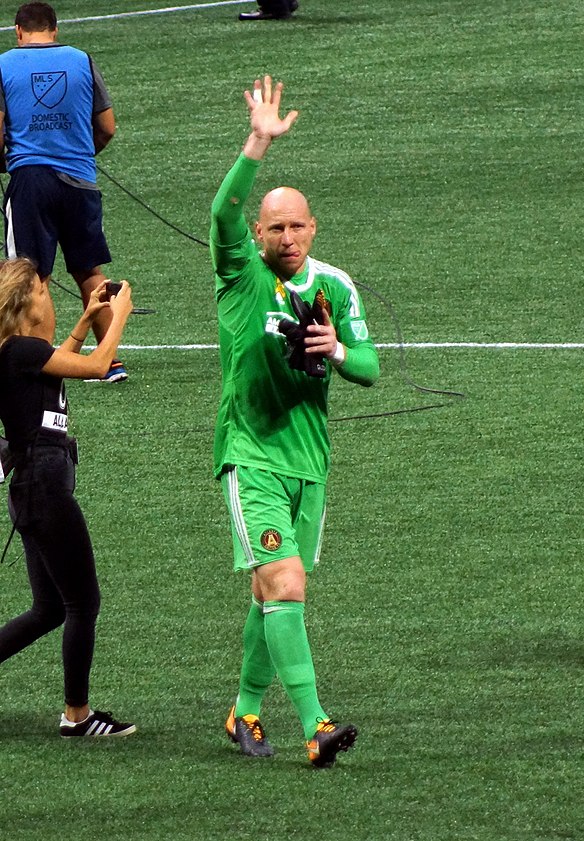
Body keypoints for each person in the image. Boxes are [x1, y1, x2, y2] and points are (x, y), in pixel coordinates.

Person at [211, 75, 380, 768]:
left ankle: (243, 710)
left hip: (310, 462)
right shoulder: (241, 274)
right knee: (285, 583)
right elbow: (221, 211)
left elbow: (369, 366)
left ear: (313, 227)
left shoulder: (335, 285)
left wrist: (335, 349)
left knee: (270, 592)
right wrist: (258, 141)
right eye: (273, 225)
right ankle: (316, 725)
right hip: (251, 452)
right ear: (259, 233)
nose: (285, 235)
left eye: (296, 224)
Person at [0, 256, 136, 737]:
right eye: (45, 289)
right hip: (44, 487)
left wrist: (83, 320)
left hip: (35, 488)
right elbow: (99, 367)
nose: (50, 294)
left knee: (50, 609)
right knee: (83, 604)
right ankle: (76, 715)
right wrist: (115, 317)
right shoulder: (19, 351)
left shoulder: (22, 352)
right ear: (28, 302)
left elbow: (57, 370)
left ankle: (76, 713)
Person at [0, 2, 127, 383]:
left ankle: (44, 358)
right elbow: (107, 126)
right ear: (55, 30)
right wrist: (80, 156)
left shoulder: (4, 64)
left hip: (31, 181)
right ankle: (111, 361)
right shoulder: (81, 60)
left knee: (32, 275)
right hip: (80, 180)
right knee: (88, 268)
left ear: (18, 31)